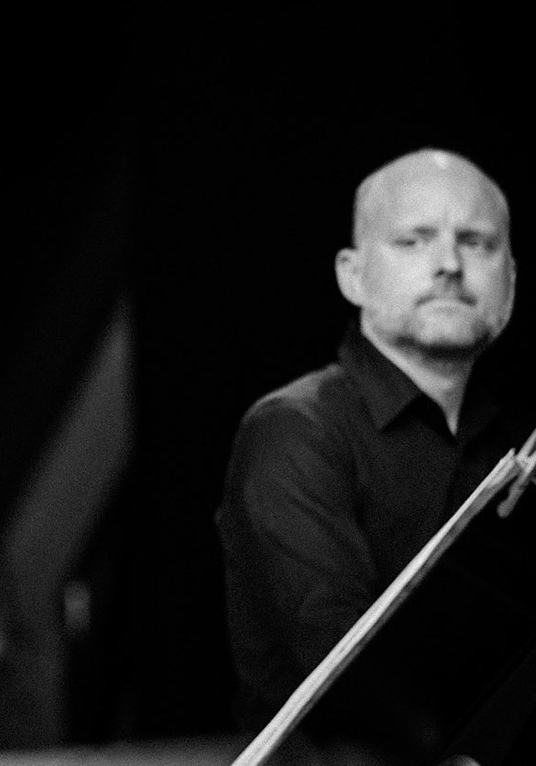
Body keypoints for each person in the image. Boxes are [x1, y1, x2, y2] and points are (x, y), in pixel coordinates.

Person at [215, 147, 528, 734]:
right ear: (352, 275)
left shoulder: (519, 443)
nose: (450, 265)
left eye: (477, 242)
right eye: (413, 241)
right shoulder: (294, 430)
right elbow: (348, 674)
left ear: (510, 281)